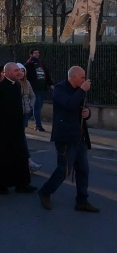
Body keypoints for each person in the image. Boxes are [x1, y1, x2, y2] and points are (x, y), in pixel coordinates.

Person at [38, 66, 99, 212]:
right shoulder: (60, 89)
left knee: (83, 169)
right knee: (64, 170)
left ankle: (82, 200)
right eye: (82, 77)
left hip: (80, 136)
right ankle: (45, 192)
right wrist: (82, 90)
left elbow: (83, 106)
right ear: (73, 77)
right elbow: (69, 104)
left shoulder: (79, 90)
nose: (85, 80)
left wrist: (87, 112)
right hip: (66, 136)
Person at [0, 62, 37, 194]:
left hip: (16, 128)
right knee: (3, 158)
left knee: (20, 157)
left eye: (20, 71)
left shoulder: (17, 86)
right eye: (16, 71)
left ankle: (22, 184)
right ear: (7, 72)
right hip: (2, 130)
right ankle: (1, 185)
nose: (19, 73)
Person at [16, 63, 42, 173]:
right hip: (16, 115)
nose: (21, 73)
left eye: (23, 71)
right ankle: (28, 162)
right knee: (21, 138)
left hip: (25, 114)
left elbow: (32, 96)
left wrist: (30, 106)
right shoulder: (14, 84)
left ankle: (26, 162)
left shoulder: (27, 83)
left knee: (21, 138)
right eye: (19, 70)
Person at [25, 48, 54, 132]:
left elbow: (46, 74)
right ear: (31, 54)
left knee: (37, 107)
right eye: (35, 53)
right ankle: (38, 125)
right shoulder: (28, 65)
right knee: (37, 107)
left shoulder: (40, 64)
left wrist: (51, 84)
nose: (37, 54)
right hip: (34, 90)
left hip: (42, 89)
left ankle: (25, 119)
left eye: (38, 53)